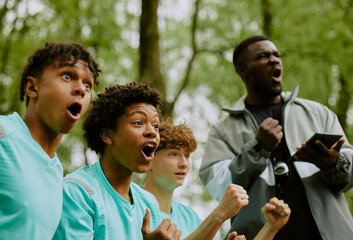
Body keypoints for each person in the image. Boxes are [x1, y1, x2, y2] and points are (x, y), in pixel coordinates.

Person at [199, 35, 353, 240]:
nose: (274, 60)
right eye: (263, 56)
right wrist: (258, 149)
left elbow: (352, 173)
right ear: (242, 70)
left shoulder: (319, 113)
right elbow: (221, 188)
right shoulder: (223, 130)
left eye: (277, 55)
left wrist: (332, 164)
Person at [54, 82, 181, 240]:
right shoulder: (77, 192)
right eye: (138, 123)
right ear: (108, 135)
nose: (152, 132)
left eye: (155, 125)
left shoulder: (148, 203)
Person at [0, 42, 101, 239]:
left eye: (88, 85)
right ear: (32, 87)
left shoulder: (56, 171)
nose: (81, 88)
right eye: (67, 76)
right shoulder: (3, 134)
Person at [144, 121, 291, 240]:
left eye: (187, 156)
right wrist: (220, 212)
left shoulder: (191, 218)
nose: (184, 163)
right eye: (173, 154)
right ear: (149, 159)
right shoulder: (132, 204)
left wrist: (271, 227)